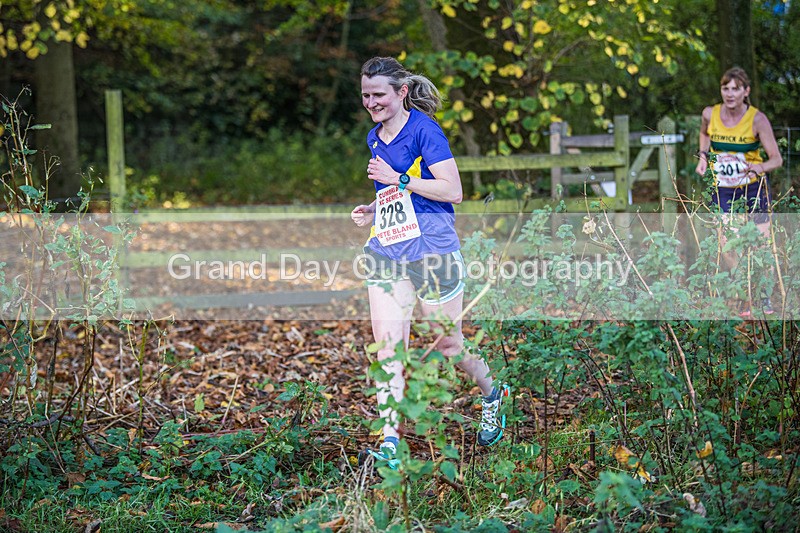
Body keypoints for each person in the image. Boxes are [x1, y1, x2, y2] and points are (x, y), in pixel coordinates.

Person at [350, 57, 509, 467]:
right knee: (389, 350)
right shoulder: (374, 136)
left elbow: (452, 191)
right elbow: (398, 193)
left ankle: (494, 392)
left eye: (379, 94)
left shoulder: (425, 131)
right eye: (366, 95)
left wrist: (397, 179)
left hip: (433, 251)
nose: (371, 103)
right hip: (387, 250)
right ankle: (390, 445)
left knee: (448, 344)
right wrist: (374, 207)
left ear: (402, 92)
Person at [695, 66, 783, 316]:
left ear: (746, 91)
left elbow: (776, 159)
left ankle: (764, 298)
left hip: (753, 188)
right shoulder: (709, 114)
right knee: (728, 245)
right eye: (726, 88)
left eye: (736, 89)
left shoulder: (757, 119)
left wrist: (759, 167)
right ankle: (746, 294)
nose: (730, 94)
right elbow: (704, 133)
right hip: (723, 189)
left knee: (760, 244)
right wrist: (703, 157)